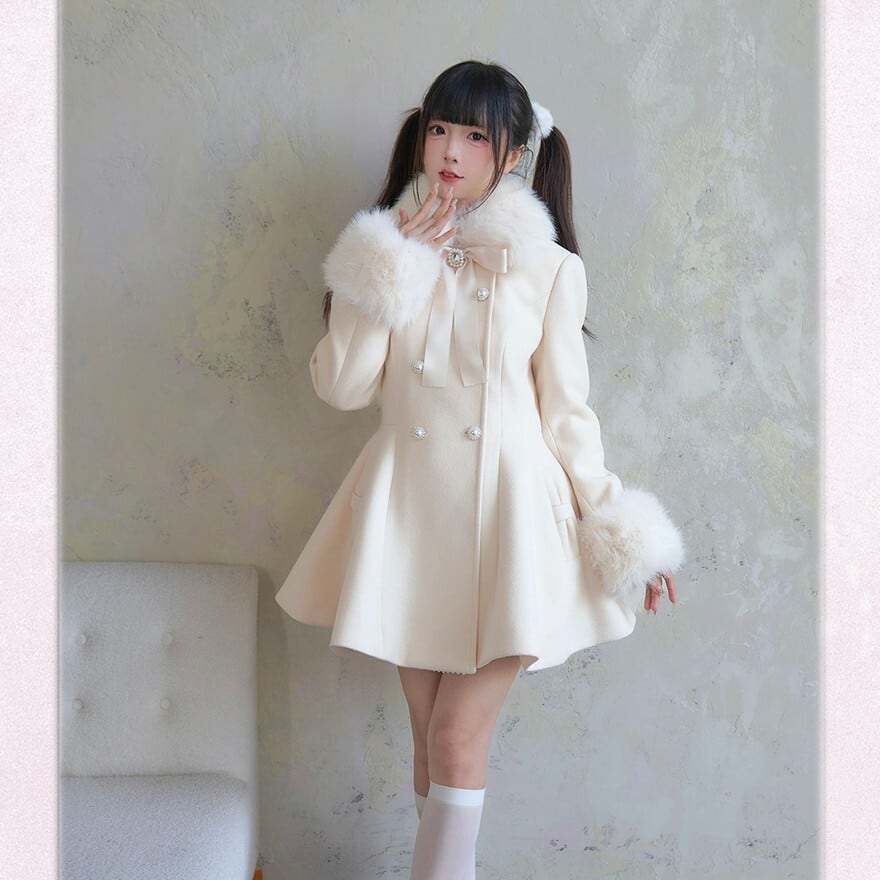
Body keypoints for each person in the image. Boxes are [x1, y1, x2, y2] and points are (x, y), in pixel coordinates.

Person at [276, 60, 685, 879]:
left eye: (474, 135)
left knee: (457, 740)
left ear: (513, 155)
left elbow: (568, 417)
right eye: (439, 129)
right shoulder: (385, 250)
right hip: (408, 515)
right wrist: (388, 265)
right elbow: (342, 386)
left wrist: (624, 535)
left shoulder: (550, 269)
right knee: (432, 748)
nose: (450, 151)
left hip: (512, 521)